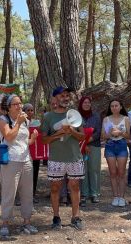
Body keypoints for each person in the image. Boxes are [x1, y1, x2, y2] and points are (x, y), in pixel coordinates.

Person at [41, 86, 86, 230]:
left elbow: (82, 136)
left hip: (74, 157)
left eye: (67, 95)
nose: (65, 98)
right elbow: (44, 140)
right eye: (62, 96)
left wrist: (71, 131)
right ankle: (56, 217)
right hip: (56, 158)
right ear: (55, 98)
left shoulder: (75, 114)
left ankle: (76, 216)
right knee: (55, 188)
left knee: (74, 186)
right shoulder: (48, 117)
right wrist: (58, 133)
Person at [0, 94, 38, 237]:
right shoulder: (3, 120)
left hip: (26, 160)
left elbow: (23, 141)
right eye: (15, 104)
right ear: (8, 107)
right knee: (9, 193)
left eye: (20, 103)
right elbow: (9, 136)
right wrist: (19, 123)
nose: (20, 106)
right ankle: (5, 223)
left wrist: (32, 139)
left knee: (27, 193)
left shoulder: (24, 120)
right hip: (11, 161)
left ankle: (27, 222)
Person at [102, 99, 131, 207]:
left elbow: (129, 136)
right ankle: (115, 196)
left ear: (121, 107)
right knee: (113, 173)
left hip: (122, 145)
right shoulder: (106, 119)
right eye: (112, 106)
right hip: (110, 146)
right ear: (110, 108)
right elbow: (103, 136)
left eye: (116, 105)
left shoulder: (126, 119)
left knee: (122, 173)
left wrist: (120, 133)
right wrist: (110, 133)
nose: (114, 107)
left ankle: (122, 197)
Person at [78, 97, 102, 206]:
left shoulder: (96, 116)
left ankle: (95, 193)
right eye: (84, 102)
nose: (87, 104)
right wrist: (84, 143)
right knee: (83, 169)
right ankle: (84, 193)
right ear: (81, 104)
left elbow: (98, 131)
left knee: (94, 169)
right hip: (80, 147)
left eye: (88, 103)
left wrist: (88, 141)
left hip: (94, 146)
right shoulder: (77, 117)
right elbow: (76, 131)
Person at [23, 103, 41, 203]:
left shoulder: (37, 122)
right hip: (24, 152)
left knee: (34, 173)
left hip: (35, 153)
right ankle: (22, 197)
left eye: (31, 110)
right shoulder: (20, 122)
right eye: (28, 110)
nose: (30, 112)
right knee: (24, 175)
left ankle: (32, 195)